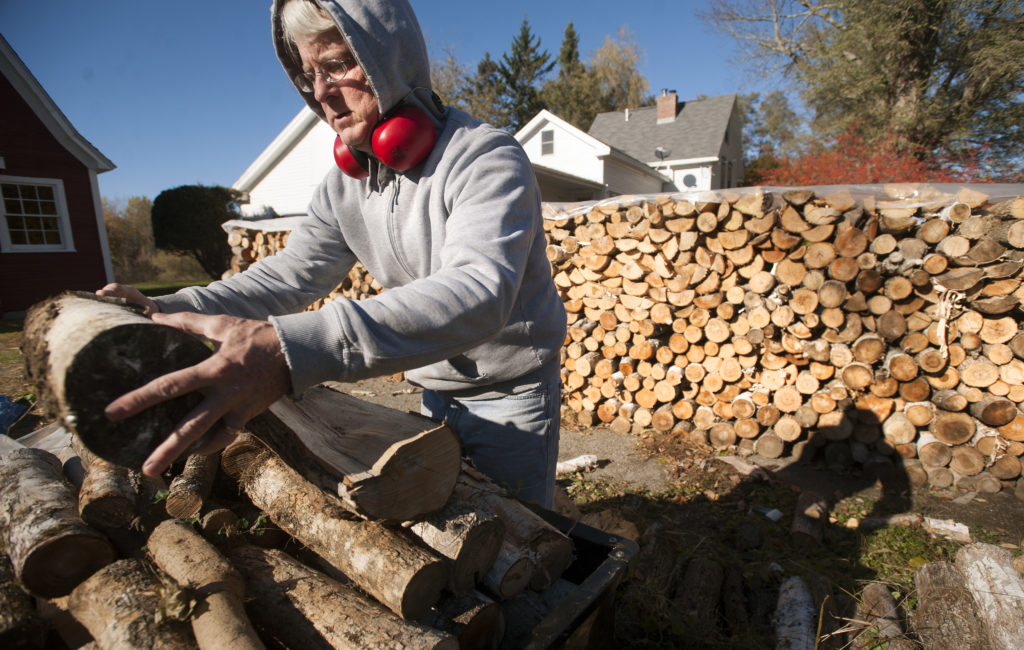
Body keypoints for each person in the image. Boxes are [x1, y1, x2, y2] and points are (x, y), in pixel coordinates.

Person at [98, 0, 566, 507]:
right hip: (434, 390)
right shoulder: (344, 186)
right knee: (463, 528)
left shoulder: (485, 157)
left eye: (338, 65)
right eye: (309, 75)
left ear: (390, 58)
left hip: (511, 393)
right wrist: (168, 309)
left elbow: (479, 291)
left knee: (528, 548)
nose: (320, 92)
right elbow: (287, 276)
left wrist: (285, 351)